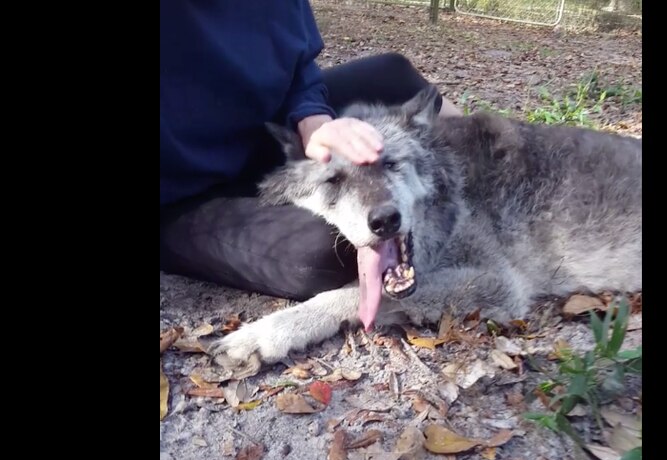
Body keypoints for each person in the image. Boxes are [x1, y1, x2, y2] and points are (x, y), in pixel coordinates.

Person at [160, 0, 461, 301]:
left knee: (393, 73)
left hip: (259, 134)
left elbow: (300, 70)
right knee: (327, 253)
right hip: (181, 191)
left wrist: (314, 122)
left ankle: (486, 150)